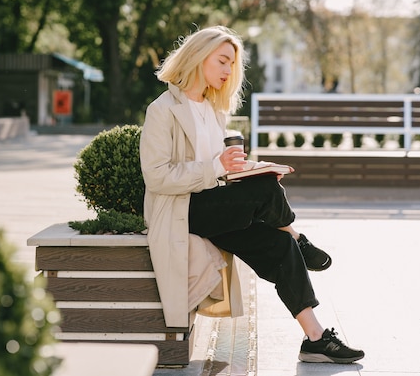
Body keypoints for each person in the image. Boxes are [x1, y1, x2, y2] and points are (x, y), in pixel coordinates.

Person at [139, 25, 364, 364]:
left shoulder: (214, 110)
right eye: (223, 61)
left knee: (280, 246)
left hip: (216, 206)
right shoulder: (163, 109)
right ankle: (297, 235)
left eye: (232, 64)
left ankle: (315, 338)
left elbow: (223, 168)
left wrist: (255, 167)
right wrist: (218, 167)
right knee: (268, 195)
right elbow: (157, 177)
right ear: (200, 57)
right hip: (184, 209)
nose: (229, 71)